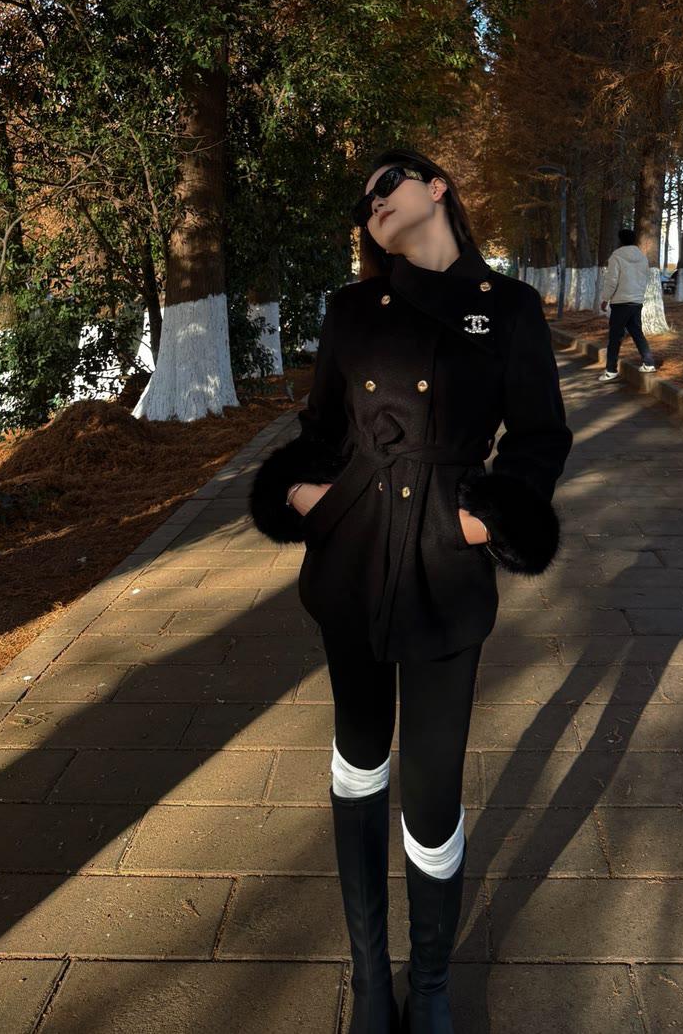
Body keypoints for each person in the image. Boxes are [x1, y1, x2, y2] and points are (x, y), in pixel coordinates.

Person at [250, 148, 574, 1034]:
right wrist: (303, 496)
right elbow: (321, 427)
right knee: (360, 756)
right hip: (351, 554)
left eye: (386, 184)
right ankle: (369, 981)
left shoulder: (507, 307)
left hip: (443, 566)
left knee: (431, 793)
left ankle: (429, 985)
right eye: (364, 202)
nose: (373, 203)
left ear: (437, 188)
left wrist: (480, 521)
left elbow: (540, 437)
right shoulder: (352, 309)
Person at [597, 226, 658, 382]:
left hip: (621, 302)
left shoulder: (616, 257)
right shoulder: (642, 257)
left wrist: (605, 298)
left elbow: (612, 280)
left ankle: (611, 370)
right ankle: (649, 363)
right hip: (636, 302)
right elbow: (645, 278)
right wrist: (639, 295)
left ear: (620, 241)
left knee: (615, 337)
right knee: (637, 333)